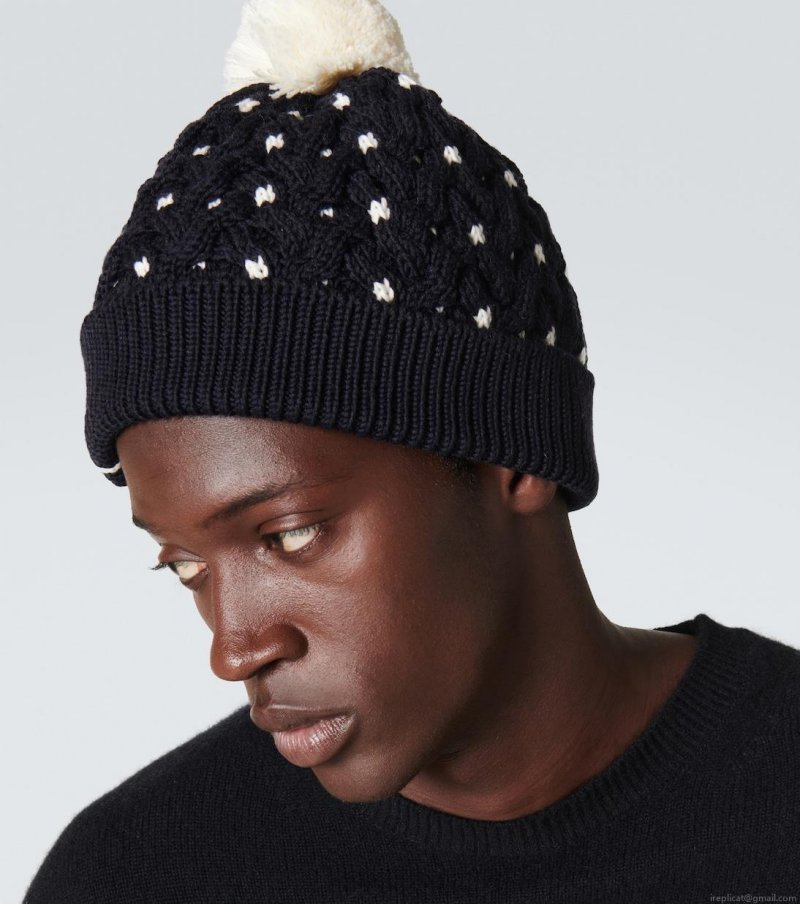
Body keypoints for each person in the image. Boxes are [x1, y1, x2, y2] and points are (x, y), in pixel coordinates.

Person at [25, 0, 800, 899]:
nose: (235, 651)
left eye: (288, 535)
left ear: (513, 457)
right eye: (186, 566)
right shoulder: (135, 874)